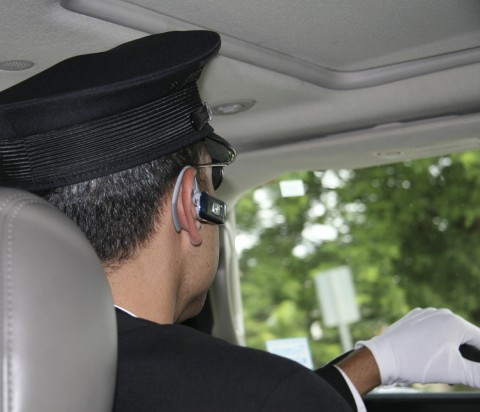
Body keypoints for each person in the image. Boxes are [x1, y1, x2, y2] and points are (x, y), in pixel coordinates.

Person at [0, 30, 479, 412]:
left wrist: (375, 362)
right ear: (190, 204)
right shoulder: (261, 393)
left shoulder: (23, 373)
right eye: (214, 181)